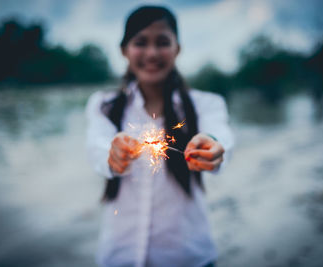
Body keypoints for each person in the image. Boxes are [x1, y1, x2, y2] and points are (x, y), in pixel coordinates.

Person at [86, 5, 234, 267]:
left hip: (188, 255)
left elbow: (221, 135)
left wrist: (212, 145)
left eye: (163, 42)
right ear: (124, 50)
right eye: (141, 42)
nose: (152, 53)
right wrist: (112, 154)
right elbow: (96, 146)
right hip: (119, 255)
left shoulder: (206, 105)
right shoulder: (103, 105)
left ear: (177, 49)